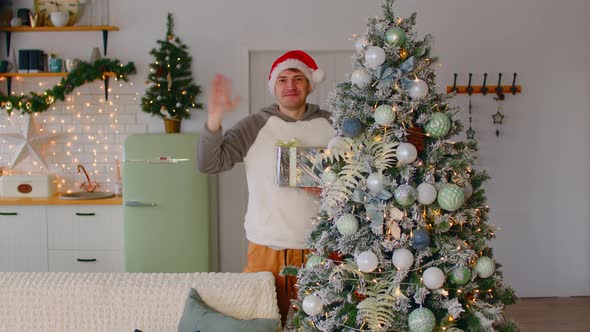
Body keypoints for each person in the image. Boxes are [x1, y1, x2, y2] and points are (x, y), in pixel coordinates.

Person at [197, 50, 334, 323]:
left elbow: (360, 175)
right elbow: (209, 164)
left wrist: (333, 187)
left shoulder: (333, 124)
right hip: (266, 249)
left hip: (323, 248)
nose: (290, 86)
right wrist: (214, 119)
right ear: (274, 87)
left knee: (322, 323)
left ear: (309, 84)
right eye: (282, 80)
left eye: (297, 78)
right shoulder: (254, 125)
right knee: (266, 323)